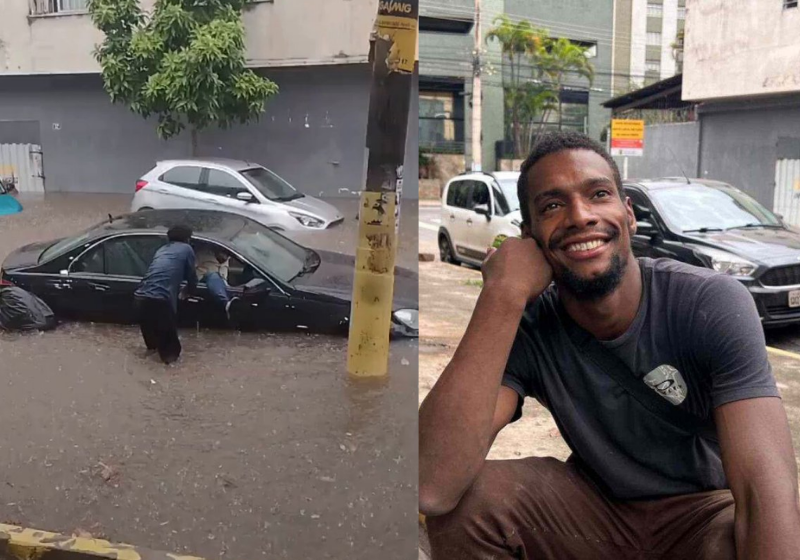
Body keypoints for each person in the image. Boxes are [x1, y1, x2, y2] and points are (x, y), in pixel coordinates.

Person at [419, 131, 800, 560]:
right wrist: (502, 294)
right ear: (530, 237)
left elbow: (763, 489)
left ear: (629, 214)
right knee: (469, 506)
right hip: (593, 513)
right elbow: (432, 485)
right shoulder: (526, 321)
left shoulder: (708, 302)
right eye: (552, 205)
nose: (580, 216)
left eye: (598, 194)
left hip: (702, 514)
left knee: (760, 531)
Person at [134, 224, 197, 364]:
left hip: (140, 297)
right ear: (187, 239)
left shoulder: (162, 249)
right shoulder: (186, 249)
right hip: (160, 300)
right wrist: (190, 291)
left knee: (153, 346)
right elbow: (192, 276)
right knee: (171, 353)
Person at [195, 246, 240, 320]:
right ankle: (226, 303)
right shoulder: (201, 254)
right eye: (223, 255)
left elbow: (224, 278)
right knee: (213, 275)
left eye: (227, 256)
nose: (225, 258)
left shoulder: (226, 259)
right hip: (201, 281)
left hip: (219, 284)